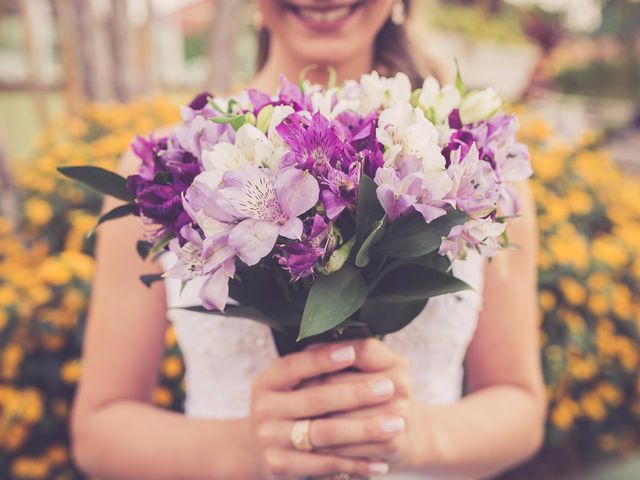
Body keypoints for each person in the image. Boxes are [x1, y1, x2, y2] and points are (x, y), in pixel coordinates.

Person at [70, 1, 546, 478]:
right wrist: (246, 448)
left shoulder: (479, 171)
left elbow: (521, 409)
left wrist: (419, 436)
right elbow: (98, 431)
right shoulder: (169, 170)